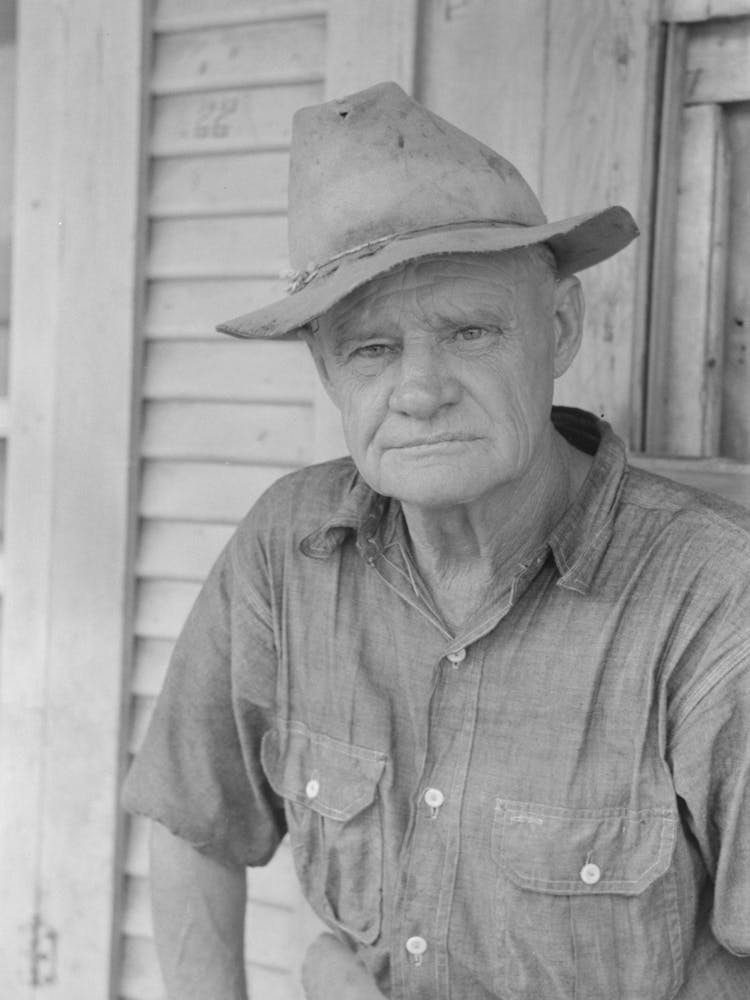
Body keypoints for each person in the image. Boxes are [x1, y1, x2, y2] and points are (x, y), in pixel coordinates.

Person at [122, 82, 750, 999]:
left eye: (469, 330)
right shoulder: (285, 549)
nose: (420, 390)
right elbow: (190, 823)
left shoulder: (716, 596)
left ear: (560, 327)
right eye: (372, 348)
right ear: (327, 369)